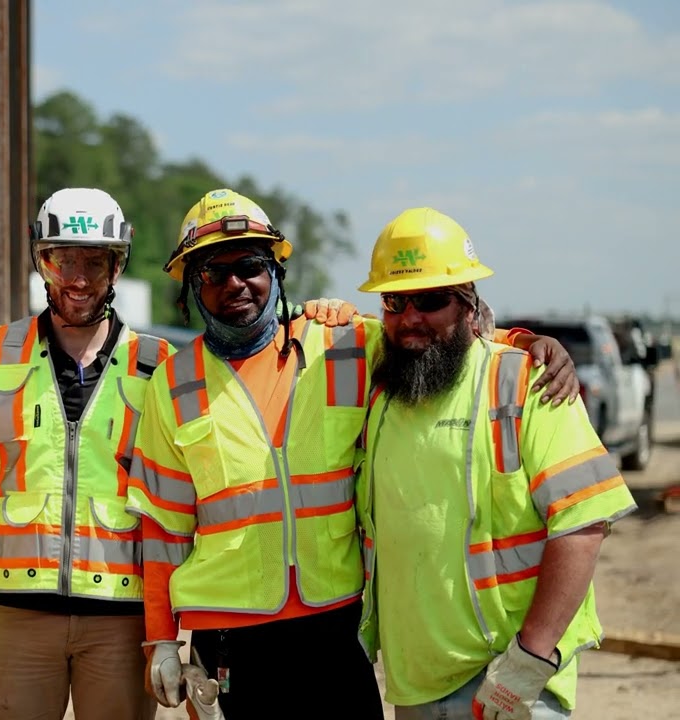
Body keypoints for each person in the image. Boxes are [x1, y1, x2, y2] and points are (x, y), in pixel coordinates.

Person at [124, 190, 579, 719]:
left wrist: (526, 343)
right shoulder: (172, 386)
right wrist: (160, 639)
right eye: (212, 272)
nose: (235, 284)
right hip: (229, 640)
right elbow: (163, 529)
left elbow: (433, 337)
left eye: (249, 265)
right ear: (190, 288)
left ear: (275, 270)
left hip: (334, 627)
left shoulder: (341, 343)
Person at [353, 207, 638, 720]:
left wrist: (530, 659)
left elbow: (583, 522)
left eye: (431, 299)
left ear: (468, 305)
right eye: (395, 301)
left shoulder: (528, 383)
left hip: (509, 676)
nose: (411, 317)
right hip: (415, 680)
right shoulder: (382, 390)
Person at [0, 187, 174, 720]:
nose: (76, 277)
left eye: (94, 262)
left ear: (117, 266)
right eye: (60, 259)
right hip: (17, 616)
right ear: (40, 261)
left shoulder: (159, 366)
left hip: (123, 620)